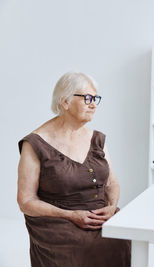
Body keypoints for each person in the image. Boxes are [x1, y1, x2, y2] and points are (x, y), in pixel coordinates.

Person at [17, 72, 131, 267]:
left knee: (121, 236)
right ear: (65, 102)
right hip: (58, 221)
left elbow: (112, 183)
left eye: (95, 99)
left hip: (99, 215)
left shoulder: (97, 138)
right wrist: (70, 215)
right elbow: (26, 201)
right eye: (87, 98)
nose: (93, 104)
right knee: (83, 245)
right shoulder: (35, 143)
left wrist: (111, 207)